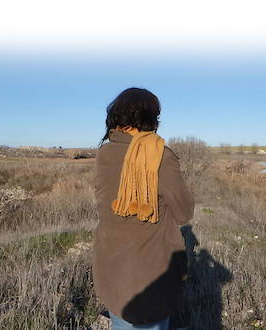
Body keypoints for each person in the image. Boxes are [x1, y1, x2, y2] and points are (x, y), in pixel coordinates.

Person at [93, 87, 194, 329]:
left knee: (121, 320)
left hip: (111, 265)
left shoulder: (104, 153)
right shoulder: (161, 155)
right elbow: (184, 212)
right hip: (150, 274)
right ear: (151, 118)